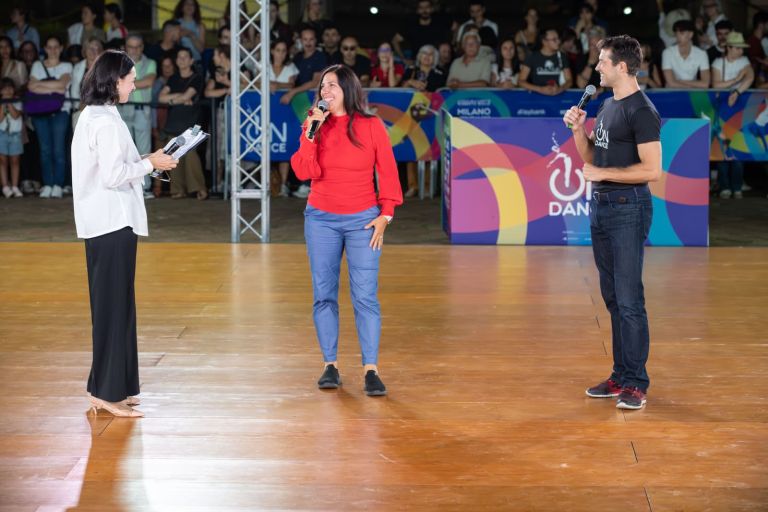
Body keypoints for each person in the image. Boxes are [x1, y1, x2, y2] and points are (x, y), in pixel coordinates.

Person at [71, 50, 177, 418]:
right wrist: (151, 163)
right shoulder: (102, 121)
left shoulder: (100, 114)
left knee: (118, 306)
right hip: (110, 222)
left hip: (111, 222)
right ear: (114, 81)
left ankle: (116, 385)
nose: (134, 85)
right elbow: (113, 175)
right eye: (130, 80)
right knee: (113, 308)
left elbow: (117, 165)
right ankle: (106, 391)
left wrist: (151, 159)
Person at [290, 64, 403, 396]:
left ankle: (371, 369)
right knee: (324, 294)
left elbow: (388, 171)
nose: (325, 91)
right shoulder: (313, 124)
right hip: (321, 219)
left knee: (365, 296)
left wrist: (386, 215)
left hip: (363, 221)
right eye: (323, 85)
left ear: (348, 90)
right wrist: (311, 132)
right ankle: (330, 365)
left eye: (333, 85)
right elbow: (303, 171)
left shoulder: (371, 125)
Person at [563, 35, 662, 411]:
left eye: (603, 61)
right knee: (613, 298)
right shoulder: (606, 105)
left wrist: (603, 174)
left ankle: (636, 382)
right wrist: (578, 131)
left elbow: (651, 170)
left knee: (629, 299)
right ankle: (620, 375)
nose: (597, 68)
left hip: (628, 207)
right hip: (602, 206)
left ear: (622, 66)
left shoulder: (642, 111)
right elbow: (592, 157)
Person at [158, 47, 207, 200]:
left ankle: (199, 188)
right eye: (179, 57)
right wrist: (180, 98)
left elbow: (187, 95)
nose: (182, 59)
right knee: (174, 153)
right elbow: (161, 97)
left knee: (191, 152)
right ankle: (178, 189)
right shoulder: (173, 78)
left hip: (194, 122)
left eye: (185, 57)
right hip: (176, 121)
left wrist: (172, 99)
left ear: (191, 61)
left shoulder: (197, 78)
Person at [28, 35, 72, 199]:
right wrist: (54, 88)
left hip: (61, 111)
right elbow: (31, 87)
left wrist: (41, 85)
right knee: (45, 149)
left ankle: (58, 184)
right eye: (49, 47)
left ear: (61, 48)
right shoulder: (37, 65)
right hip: (40, 112)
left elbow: (63, 85)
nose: (53, 50)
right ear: (45, 49)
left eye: (56, 47)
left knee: (58, 149)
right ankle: (47, 183)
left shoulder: (67, 65)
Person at [712, 32, 753, 199]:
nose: (741, 51)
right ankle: (724, 186)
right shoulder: (717, 62)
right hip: (722, 109)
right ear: (728, 47)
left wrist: (736, 91)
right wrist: (736, 79)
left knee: (738, 147)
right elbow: (715, 84)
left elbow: (750, 77)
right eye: (738, 48)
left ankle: (737, 187)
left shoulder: (744, 61)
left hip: (738, 109)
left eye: (742, 48)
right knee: (722, 147)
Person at [122, 34, 156, 199]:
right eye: (131, 46)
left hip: (142, 110)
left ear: (142, 47)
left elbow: (148, 82)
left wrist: (124, 83)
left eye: (137, 46)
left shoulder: (151, 63)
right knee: (124, 150)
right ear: (125, 47)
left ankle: (145, 187)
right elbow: (142, 83)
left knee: (144, 150)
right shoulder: (120, 63)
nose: (134, 50)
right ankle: (127, 186)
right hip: (123, 110)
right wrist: (136, 83)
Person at [267, 40, 298, 197]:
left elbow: (291, 85)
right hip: (266, 111)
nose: (280, 53)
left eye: (283, 50)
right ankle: (267, 184)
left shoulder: (291, 67)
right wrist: (278, 84)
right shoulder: (263, 65)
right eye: (278, 50)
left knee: (283, 146)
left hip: (284, 111)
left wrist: (274, 85)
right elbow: (254, 82)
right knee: (266, 146)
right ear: (272, 51)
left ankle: (284, 184)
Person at [391, 0, 453, 65]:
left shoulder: (439, 21)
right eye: (421, 8)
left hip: (437, 62)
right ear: (417, 10)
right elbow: (395, 41)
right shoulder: (411, 25)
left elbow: (456, 27)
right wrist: (403, 59)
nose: (424, 10)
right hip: (418, 63)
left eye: (427, 7)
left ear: (432, 9)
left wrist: (454, 45)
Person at [519, 28, 573, 95]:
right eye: (554, 39)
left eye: (558, 38)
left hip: (557, 96)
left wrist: (560, 89)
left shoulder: (562, 57)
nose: (558, 41)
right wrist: (540, 89)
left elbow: (569, 80)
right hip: (536, 97)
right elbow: (521, 81)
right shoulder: (532, 57)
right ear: (544, 41)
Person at [661, 19, 711, 88]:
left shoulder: (701, 54)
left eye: (681, 33)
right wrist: (693, 86)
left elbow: (705, 84)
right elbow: (670, 83)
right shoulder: (667, 53)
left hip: (692, 91)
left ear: (691, 34)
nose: (678, 36)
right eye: (676, 33)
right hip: (673, 91)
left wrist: (678, 81)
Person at [70, 37, 104, 128]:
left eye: (96, 48)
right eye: (90, 48)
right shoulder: (77, 67)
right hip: (81, 110)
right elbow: (74, 90)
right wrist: (78, 105)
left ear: (101, 51)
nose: (93, 51)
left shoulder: (106, 68)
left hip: (101, 112)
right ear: (85, 50)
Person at [0, 78, 24, 198]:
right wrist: (3, 103)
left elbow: (15, 115)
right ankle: (5, 187)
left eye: (10, 87)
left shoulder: (18, 101)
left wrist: (8, 102)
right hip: (2, 133)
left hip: (15, 134)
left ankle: (15, 186)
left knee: (15, 161)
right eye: (4, 88)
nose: (8, 90)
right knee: (2, 160)